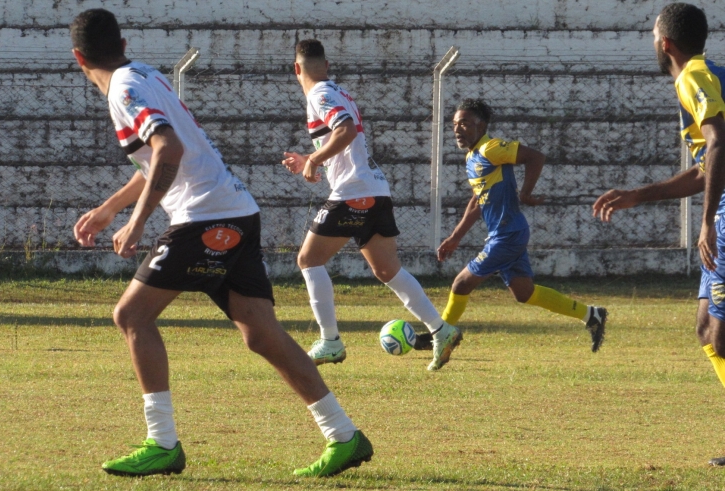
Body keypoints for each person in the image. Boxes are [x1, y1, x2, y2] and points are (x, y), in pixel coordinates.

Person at [69, 9, 373, 478]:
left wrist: (137, 222)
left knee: (131, 315)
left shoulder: (124, 91)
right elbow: (160, 157)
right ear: (124, 44)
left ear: (77, 58)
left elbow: (169, 150)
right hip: (235, 210)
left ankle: (162, 442)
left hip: (205, 217)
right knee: (261, 333)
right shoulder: (143, 76)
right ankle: (344, 435)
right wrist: (112, 208)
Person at [593, 2, 725, 466]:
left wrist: (707, 220)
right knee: (708, 330)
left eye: (652, 36)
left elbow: (717, 143)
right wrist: (637, 195)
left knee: (721, 334)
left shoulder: (692, 75)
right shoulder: (708, 75)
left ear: (664, 43)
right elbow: (708, 166)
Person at [281, 39, 461, 371]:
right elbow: (346, 139)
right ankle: (442, 330)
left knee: (308, 260)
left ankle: (331, 342)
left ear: (296, 69)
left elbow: (345, 131)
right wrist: (310, 158)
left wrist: (315, 160)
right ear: (328, 64)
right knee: (387, 270)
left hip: (353, 193)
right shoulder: (337, 91)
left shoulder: (319, 95)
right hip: (375, 189)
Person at [434, 98, 608, 351]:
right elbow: (477, 201)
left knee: (461, 284)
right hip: (505, 233)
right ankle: (591, 315)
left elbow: (535, 157)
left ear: (481, 125)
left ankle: (438, 337)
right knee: (523, 293)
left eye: (464, 123)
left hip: (508, 234)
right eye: (454, 124)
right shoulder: (472, 158)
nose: (457, 129)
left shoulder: (491, 148)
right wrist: (455, 237)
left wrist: (525, 194)